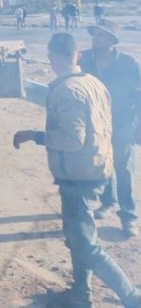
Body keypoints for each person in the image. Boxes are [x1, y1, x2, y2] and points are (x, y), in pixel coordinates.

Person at [14, 33, 141, 307]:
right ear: (77, 55)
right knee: (78, 238)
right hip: (94, 168)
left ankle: (131, 297)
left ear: (52, 57)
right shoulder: (93, 82)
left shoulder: (67, 90)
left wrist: (35, 135)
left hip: (80, 176)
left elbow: (73, 140)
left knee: (86, 245)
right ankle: (81, 295)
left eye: (49, 57)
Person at [79, 19, 141, 237]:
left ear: (112, 40)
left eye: (101, 35)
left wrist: (138, 125)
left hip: (122, 122)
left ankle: (129, 216)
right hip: (96, 122)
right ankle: (107, 203)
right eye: (95, 34)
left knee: (123, 168)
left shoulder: (128, 63)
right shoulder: (85, 59)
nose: (96, 38)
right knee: (102, 162)